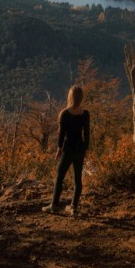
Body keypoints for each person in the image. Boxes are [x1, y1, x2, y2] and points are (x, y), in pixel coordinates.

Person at [43, 84, 90, 216]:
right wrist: (86, 150)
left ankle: (54, 205)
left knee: (59, 176)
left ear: (70, 96)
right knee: (77, 179)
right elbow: (87, 134)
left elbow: (61, 135)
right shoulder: (85, 114)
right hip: (80, 149)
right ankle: (73, 207)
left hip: (68, 148)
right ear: (81, 98)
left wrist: (58, 150)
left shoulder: (64, 114)